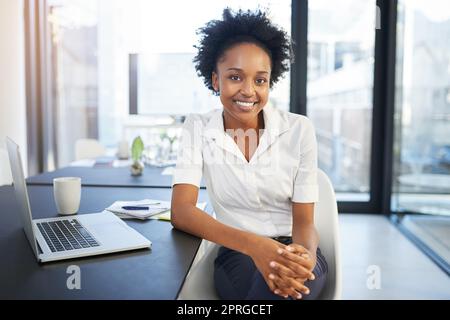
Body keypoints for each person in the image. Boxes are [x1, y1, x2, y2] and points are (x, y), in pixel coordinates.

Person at [171, 8, 328, 300]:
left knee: (287, 287)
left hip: (296, 249)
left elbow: (304, 222)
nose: (248, 91)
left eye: (260, 80)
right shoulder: (198, 127)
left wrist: (304, 254)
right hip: (237, 254)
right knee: (273, 291)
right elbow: (182, 211)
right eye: (235, 77)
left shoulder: (298, 129)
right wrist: (256, 246)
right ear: (215, 80)